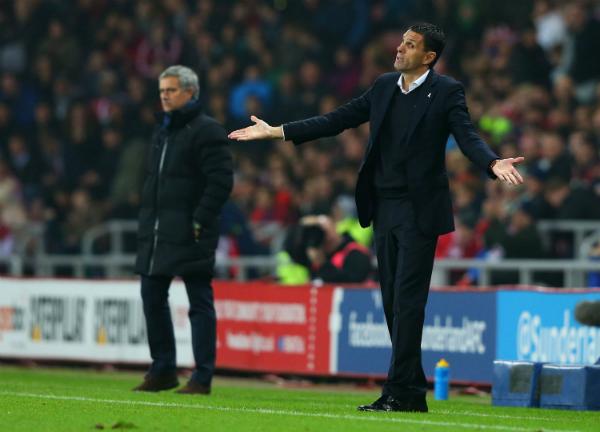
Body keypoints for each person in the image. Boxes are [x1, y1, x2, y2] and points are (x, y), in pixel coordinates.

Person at [229, 23, 524, 412]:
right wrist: (278, 132)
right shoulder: (384, 86)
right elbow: (337, 119)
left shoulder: (446, 91)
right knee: (391, 301)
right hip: (383, 207)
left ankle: (397, 392)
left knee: (408, 301)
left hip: (419, 210)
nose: (399, 48)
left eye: (410, 45)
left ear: (428, 57)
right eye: (402, 41)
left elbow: (466, 136)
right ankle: (410, 392)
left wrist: (492, 162)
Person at [133, 65, 233, 394]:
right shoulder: (162, 131)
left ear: (191, 92)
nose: (164, 96)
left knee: (199, 300)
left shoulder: (208, 130)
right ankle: (163, 369)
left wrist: (200, 219)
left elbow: (221, 181)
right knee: (152, 295)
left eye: (171, 90)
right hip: (159, 230)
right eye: (162, 90)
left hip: (192, 230)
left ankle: (202, 376)